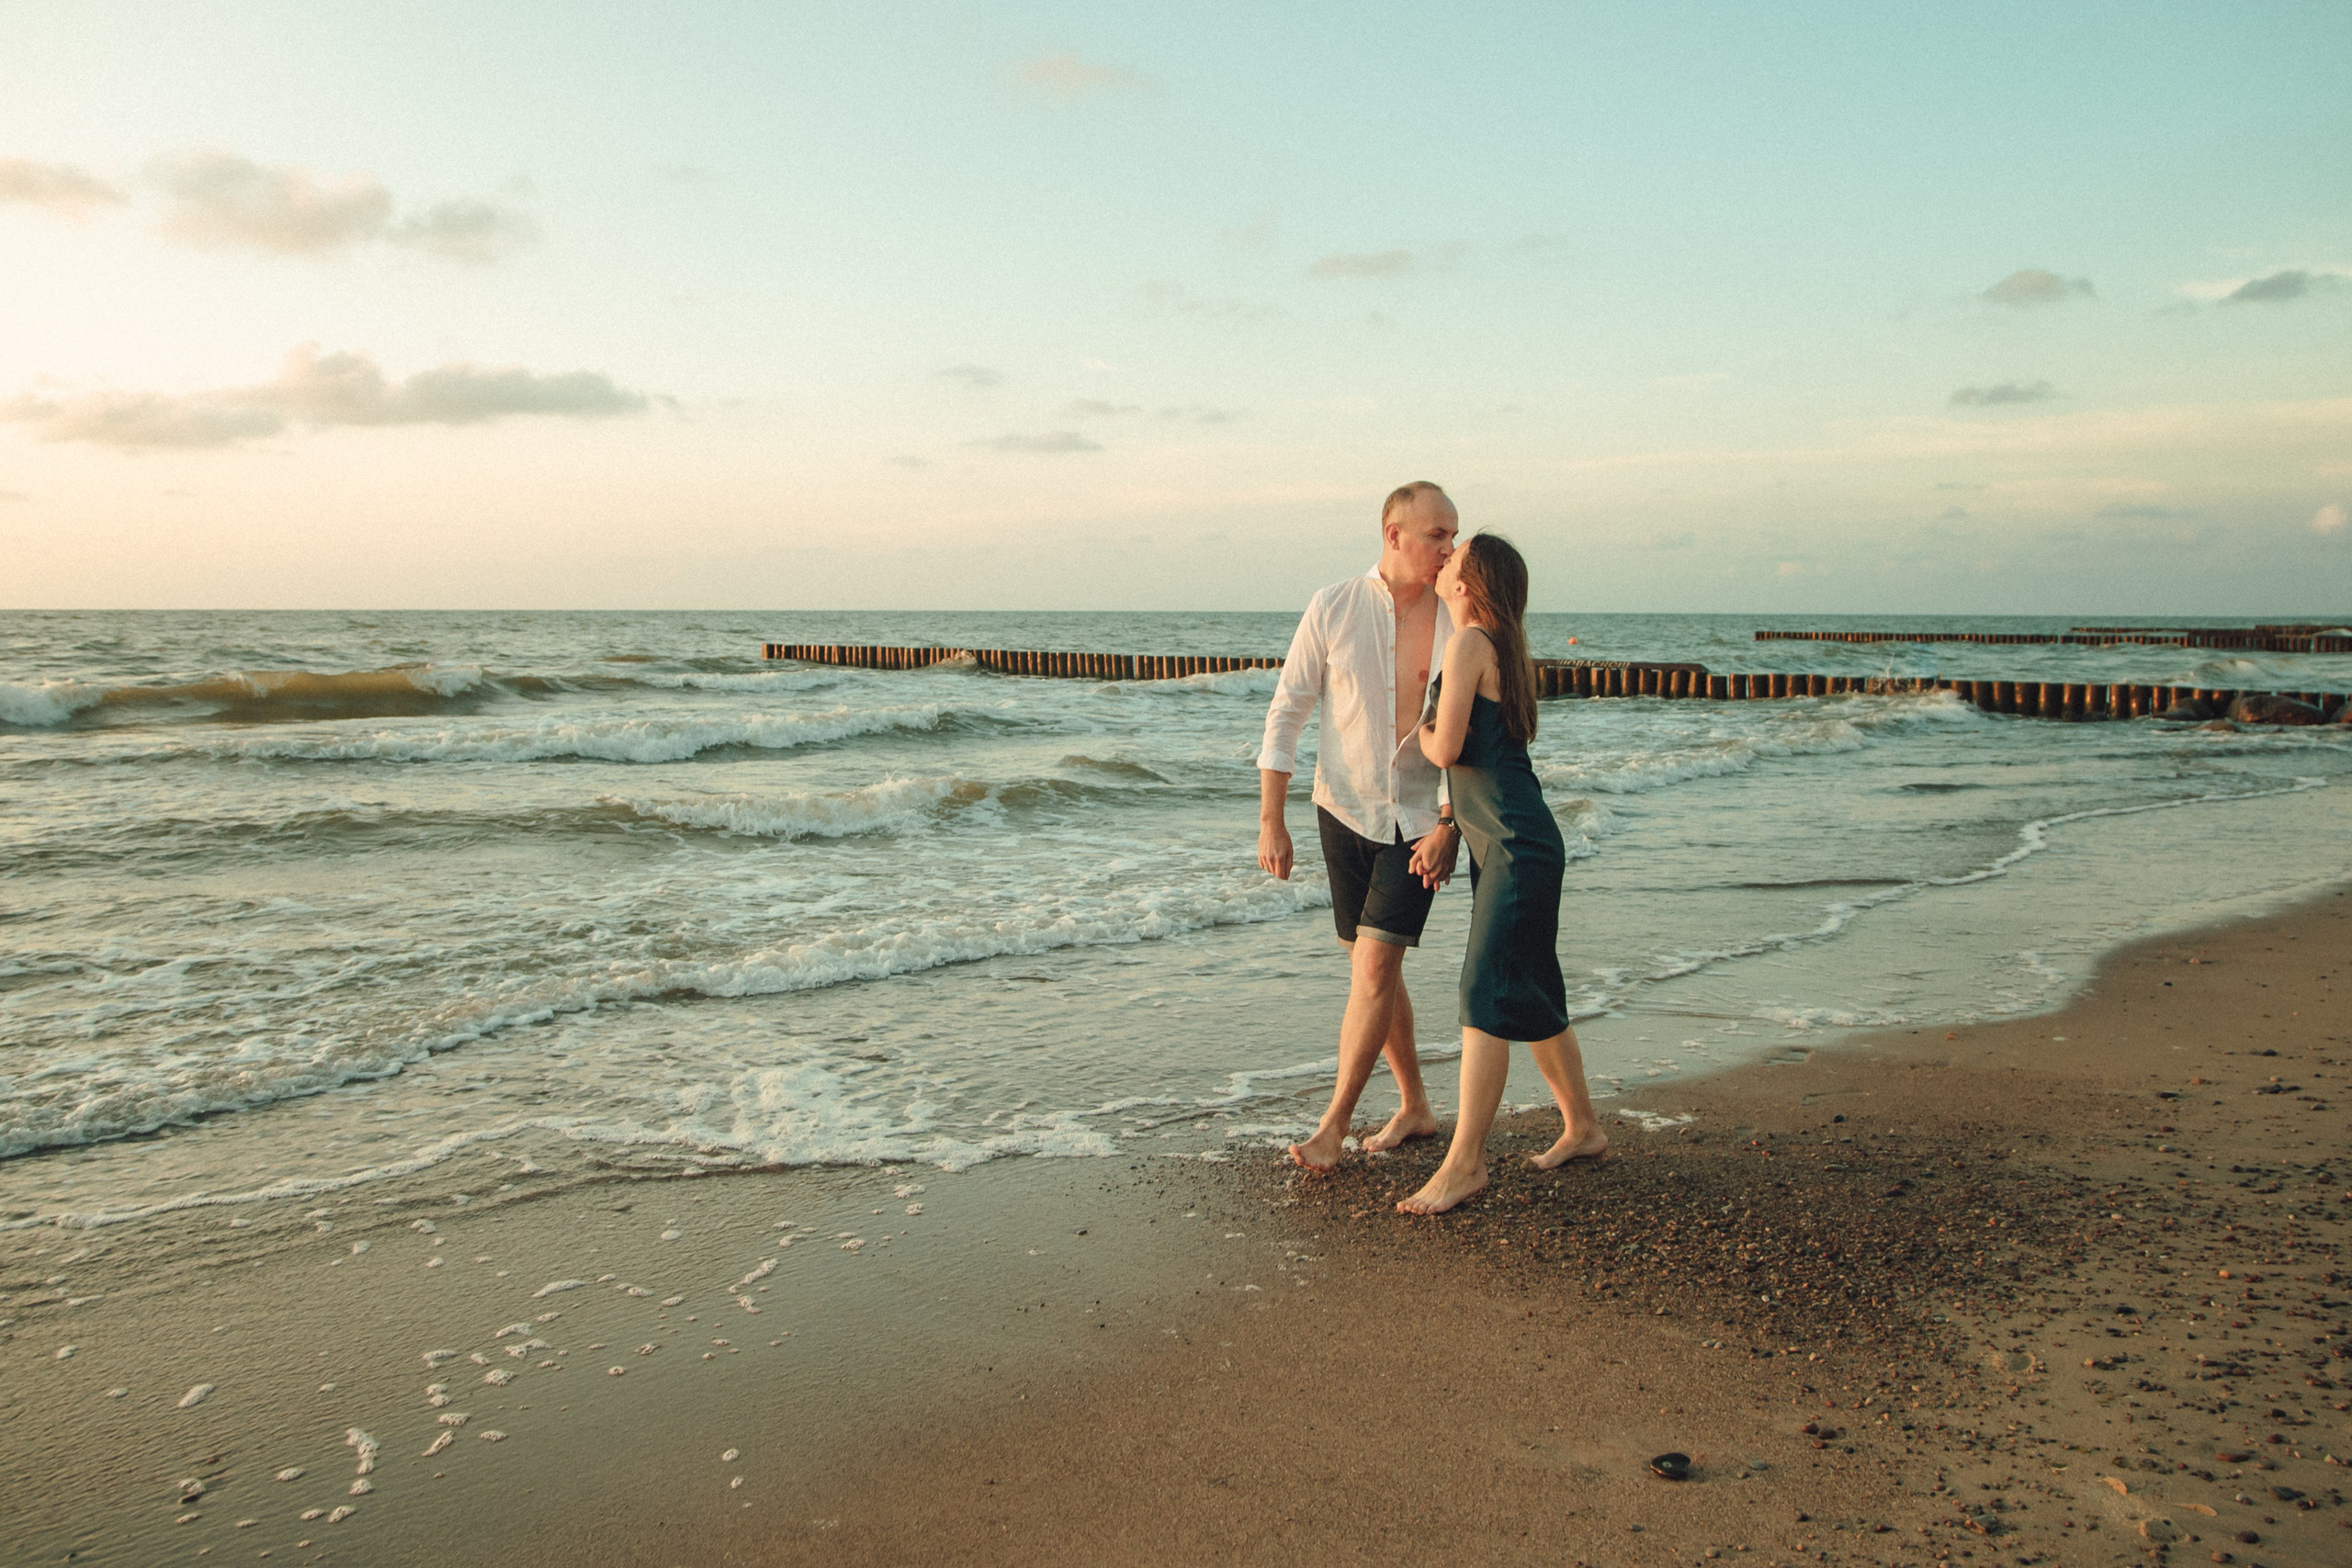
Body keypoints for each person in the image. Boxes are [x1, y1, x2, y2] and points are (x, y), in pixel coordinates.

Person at [1396, 532, 1606, 1215]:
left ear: (1469, 581)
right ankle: (1584, 1127)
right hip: (1518, 841)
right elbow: (1487, 765)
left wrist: (1416, 724)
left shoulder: (1469, 644)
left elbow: (1449, 747)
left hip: (1515, 846)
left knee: (1484, 992)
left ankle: (1466, 1164)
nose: (1445, 557)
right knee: (1534, 990)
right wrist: (1452, 826)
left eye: (1455, 555)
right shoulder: (1500, 648)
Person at [1257, 481, 1463, 1171]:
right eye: (1437, 535)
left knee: (1376, 966)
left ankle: (1334, 1125)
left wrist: (1449, 824)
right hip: (1341, 811)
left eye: (1453, 535)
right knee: (1375, 965)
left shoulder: (1456, 619)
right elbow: (1287, 712)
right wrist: (1271, 819)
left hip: (1419, 820)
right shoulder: (1333, 606)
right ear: (1394, 533)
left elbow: (1476, 737)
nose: (1449, 548)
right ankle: (1416, 1106)